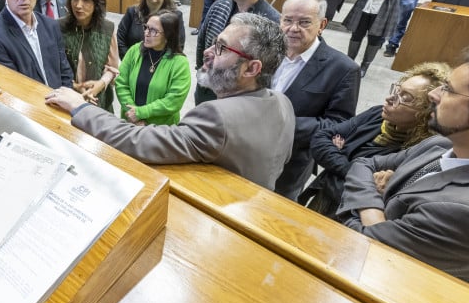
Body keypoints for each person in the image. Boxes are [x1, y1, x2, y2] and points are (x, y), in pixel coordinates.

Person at [337, 45, 469, 288]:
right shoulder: (447, 142)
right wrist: (378, 213)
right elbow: (365, 163)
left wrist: (373, 211)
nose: (433, 94)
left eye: (448, 89)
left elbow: (366, 245)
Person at [46, 13, 295, 191]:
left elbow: (136, 141)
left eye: (221, 48)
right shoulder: (283, 103)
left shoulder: (217, 116)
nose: (207, 52)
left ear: (251, 68)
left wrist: (81, 107)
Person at [300, 62, 450, 217]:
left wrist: (340, 154)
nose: (390, 98)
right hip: (322, 198)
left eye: (405, 97)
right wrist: (361, 173)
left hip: (353, 216)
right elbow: (320, 138)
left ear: (426, 113)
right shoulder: (377, 114)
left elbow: (387, 196)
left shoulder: (421, 151)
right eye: (398, 90)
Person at [271, 0, 360, 200]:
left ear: (322, 25)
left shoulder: (343, 69)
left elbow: (338, 125)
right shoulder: (267, 50)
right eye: (287, 20)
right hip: (246, 150)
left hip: (290, 164)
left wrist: (276, 123)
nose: (293, 28)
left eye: (304, 22)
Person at [195, 0, 281, 104]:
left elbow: (266, 74)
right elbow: (201, 44)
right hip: (206, 92)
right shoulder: (219, 6)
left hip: (239, 102)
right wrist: (204, 71)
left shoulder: (272, 23)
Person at [115, 10, 191, 126]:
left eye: (153, 31)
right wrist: (133, 114)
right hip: (129, 123)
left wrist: (141, 113)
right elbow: (121, 83)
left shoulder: (180, 63)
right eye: (146, 27)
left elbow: (174, 101)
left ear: (168, 36)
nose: (146, 33)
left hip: (160, 129)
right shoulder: (134, 51)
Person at [60, 0, 120, 112]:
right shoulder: (59, 27)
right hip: (68, 100)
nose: (78, 5)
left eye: (86, 0)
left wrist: (101, 84)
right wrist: (75, 86)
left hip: (100, 102)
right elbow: (54, 68)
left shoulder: (107, 28)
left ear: (96, 3)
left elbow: (112, 68)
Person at [117, 0, 186, 59]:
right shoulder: (132, 12)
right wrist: (130, 61)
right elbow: (120, 40)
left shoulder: (175, 16)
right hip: (132, 63)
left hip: (161, 65)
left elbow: (177, 46)